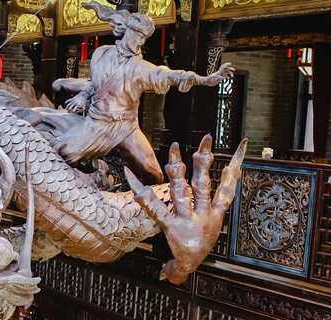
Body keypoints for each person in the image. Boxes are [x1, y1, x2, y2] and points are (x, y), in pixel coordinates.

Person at [47, 1, 234, 183]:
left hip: (126, 126)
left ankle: (144, 206)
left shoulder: (140, 67)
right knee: (59, 152)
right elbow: (94, 83)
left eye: (144, 37)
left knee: (155, 174)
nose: (141, 40)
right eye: (138, 34)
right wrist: (83, 95)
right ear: (127, 30)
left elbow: (171, 75)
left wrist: (207, 79)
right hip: (97, 123)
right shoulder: (101, 53)